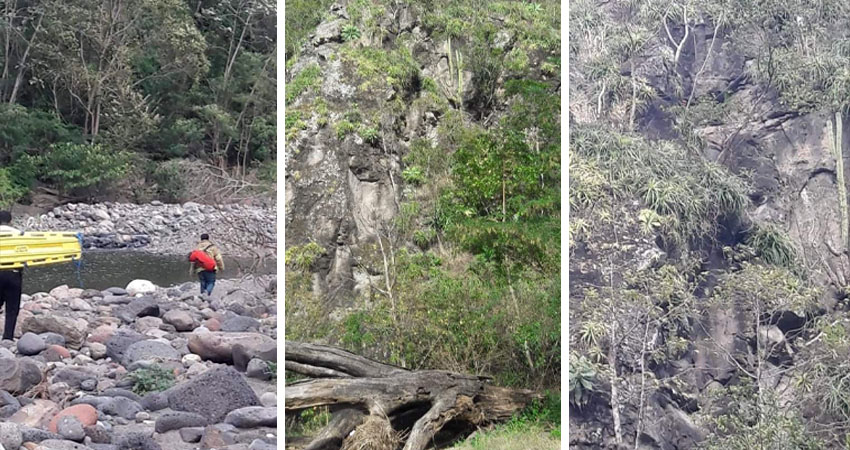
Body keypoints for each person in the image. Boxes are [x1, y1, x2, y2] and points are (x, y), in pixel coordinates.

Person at [0, 211, 23, 341]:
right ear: (10, 221)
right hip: (13, 273)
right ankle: (8, 337)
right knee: (12, 308)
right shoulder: (18, 234)